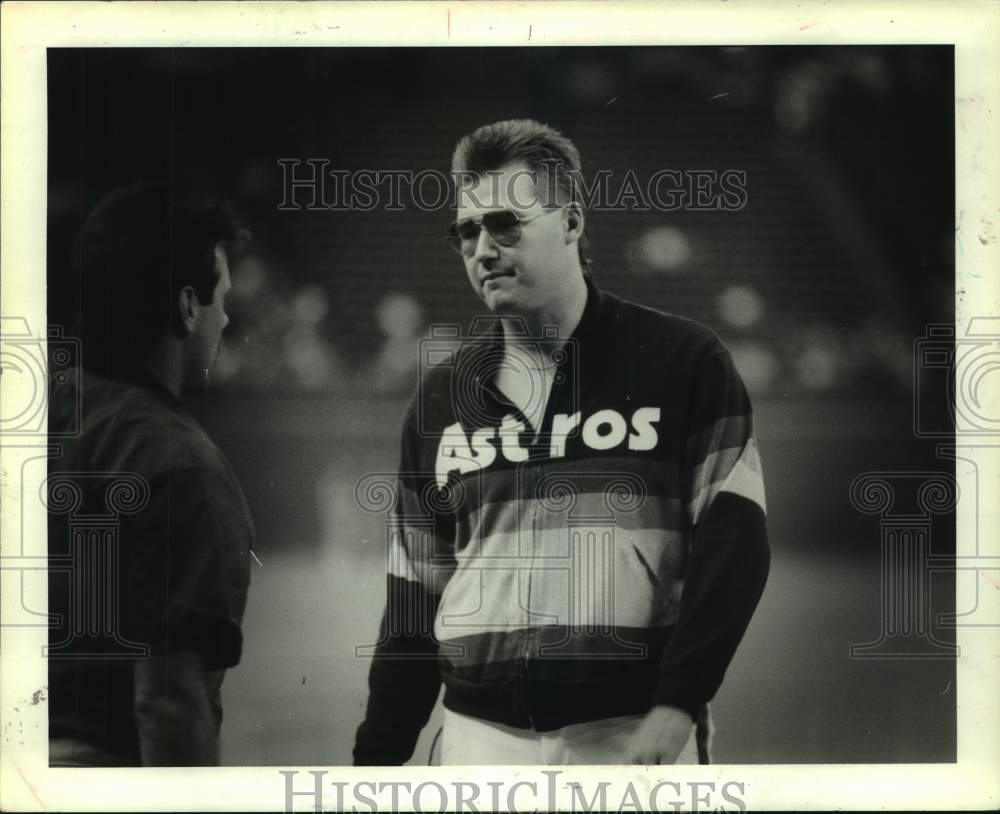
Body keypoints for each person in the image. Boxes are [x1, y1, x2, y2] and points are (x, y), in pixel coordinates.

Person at [354, 119, 770, 766]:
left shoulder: (682, 362)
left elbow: (736, 544)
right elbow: (412, 603)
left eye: (505, 224)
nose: (482, 249)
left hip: (631, 736)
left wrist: (677, 703)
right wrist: (371, 768)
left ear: (571, 222)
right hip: (477, 744)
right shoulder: (441, 398)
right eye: (466, 232)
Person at [47, 184, 255, 766]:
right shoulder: (177, 464)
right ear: (188, 306)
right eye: (221, 299)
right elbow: (167, 700)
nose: (227, 316)